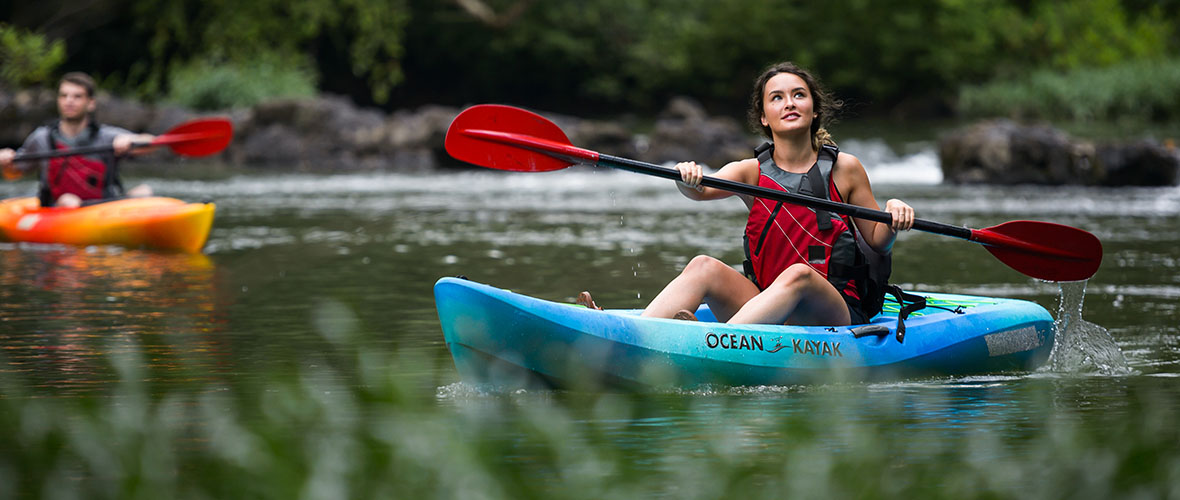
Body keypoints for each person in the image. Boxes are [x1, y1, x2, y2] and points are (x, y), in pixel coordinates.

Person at [579, 62, 915, 326]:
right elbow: (701, 190)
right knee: (703, 265)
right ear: (763, 117)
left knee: (799, 274)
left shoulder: (845, 168)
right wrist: (688, 178)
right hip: (767, 303)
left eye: (799, 95)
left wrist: (893, 216)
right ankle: (633, 335)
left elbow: (877, 241)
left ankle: (709, 345)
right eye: (777, 98)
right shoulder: (750, 172)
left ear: (815, 110)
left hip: (833, 312)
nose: (789, 103)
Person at [0, 72, 155, 208]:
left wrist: (130, 141)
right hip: (59, 208)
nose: (69, 101)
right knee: (69, 201)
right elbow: (14, 173)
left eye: (77, 96)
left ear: (91, 103)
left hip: (104, 208)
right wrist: (7, 163)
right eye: (64, 96)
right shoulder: (42, 138)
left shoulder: (106, 136)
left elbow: (150, 143)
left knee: (145, 191)